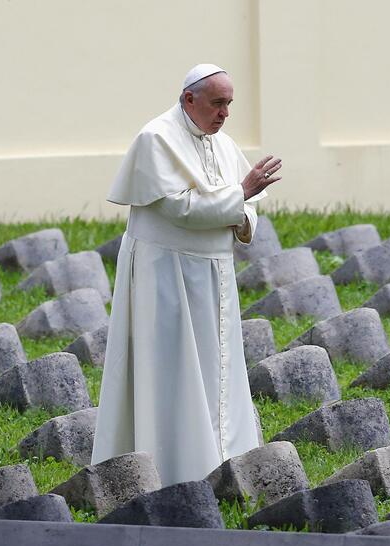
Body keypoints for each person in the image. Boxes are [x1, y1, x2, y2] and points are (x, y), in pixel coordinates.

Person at [91, 63, 282, 486]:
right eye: (217, 103)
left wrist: (243, 203)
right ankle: (173, 467)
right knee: (171, 370)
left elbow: (249, 208)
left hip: (215, 276)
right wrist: (241, 194)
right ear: (189, 99)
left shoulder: (223, 143)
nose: (225, 114)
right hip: (167, 275)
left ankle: (223, 461)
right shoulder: (156, 139)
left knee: (219, 368)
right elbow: (181, 208)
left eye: (229, 104)